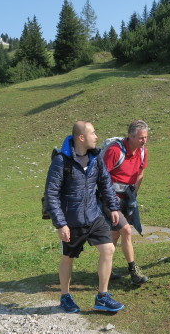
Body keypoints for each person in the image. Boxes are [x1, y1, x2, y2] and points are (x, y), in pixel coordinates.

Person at [44, 121, 125, 313]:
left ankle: (102, 297)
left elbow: (105, 183)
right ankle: (65, 296)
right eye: (93, 133)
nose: (96, 136)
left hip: (94, 215)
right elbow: (51, 194)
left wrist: (113, 208)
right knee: (68, 258)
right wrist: (60, 223)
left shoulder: (95, 158)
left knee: (108, 249)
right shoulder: (61, 161)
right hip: (71, 220)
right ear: (82, 137)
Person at [102, 120, 150, 286]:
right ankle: (134, 271)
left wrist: (133, 194)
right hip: (111, 198)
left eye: (145, 137)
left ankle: (104, 270)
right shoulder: (115, 151)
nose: (144, 141)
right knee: (126, 231)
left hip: (127, 197)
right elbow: (102, 176)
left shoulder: (142, 152)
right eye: (140, 138)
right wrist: (110, 202)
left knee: (115, 234)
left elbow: (141, 173)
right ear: (130, 136)